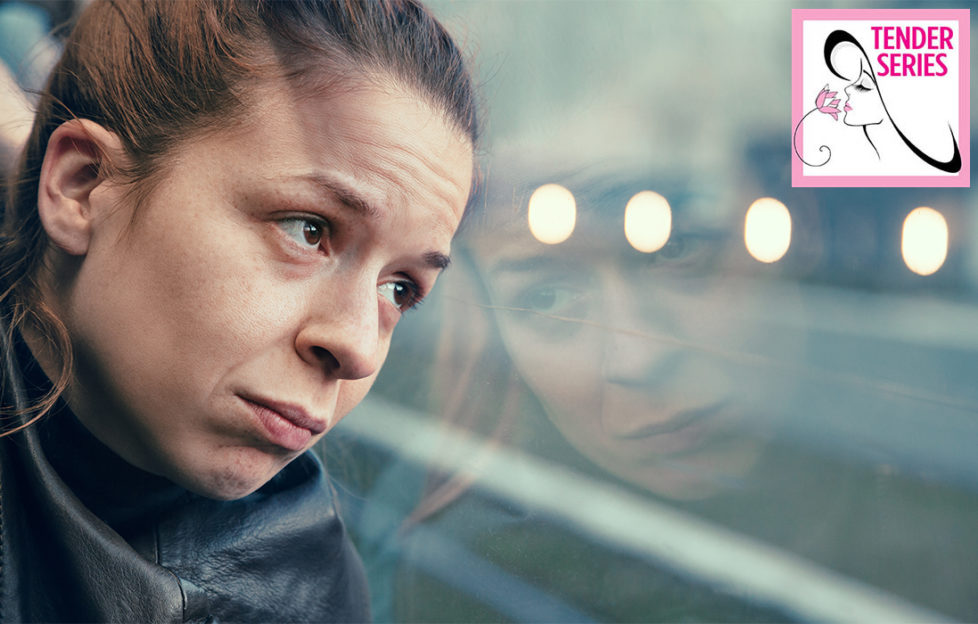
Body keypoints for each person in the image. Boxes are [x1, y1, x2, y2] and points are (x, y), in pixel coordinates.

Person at [0, 0, 476, 621]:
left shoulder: (314, 599)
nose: (359, 348)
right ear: (83, 184)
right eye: (309, 230)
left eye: (401, 289)